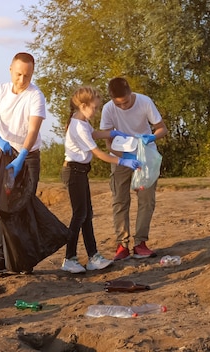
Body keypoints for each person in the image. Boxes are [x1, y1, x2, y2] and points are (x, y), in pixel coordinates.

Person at [60, 86, 141, 273]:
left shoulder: (81, 121)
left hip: (80, 172)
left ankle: (93, 256)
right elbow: (98, 153)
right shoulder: (78, 126)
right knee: (79, 215)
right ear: (82, 105)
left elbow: (94, 134)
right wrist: (123, 160)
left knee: (87, 215)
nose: (96, 111)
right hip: (74, 172)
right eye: (94, 108)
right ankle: (69, 258)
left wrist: (112, 133)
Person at [0, 52, 46, 274]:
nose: (22, 80)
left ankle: (23, 260)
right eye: (18, 74)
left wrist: (22, 155)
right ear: (11, 69)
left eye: (27, 76)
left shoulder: (35, 96)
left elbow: (33, 129)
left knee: (23, 206)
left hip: (27, 156)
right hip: (4, 153)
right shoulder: (0, 91)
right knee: (1, 205)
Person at [98, 77, 168, 260]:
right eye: (117, 103)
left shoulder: (145, 102)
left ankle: (141, 243)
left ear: (130, 92)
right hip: (122, 159)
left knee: (146, 200)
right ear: (112, 98)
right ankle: (122, 245)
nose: (122, 106)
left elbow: (162, 128)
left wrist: (151, 138)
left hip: (146, 158)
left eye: (126, 102)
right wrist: (124, 158)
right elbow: (108, 141)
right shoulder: (108, 109)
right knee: (120, 200)